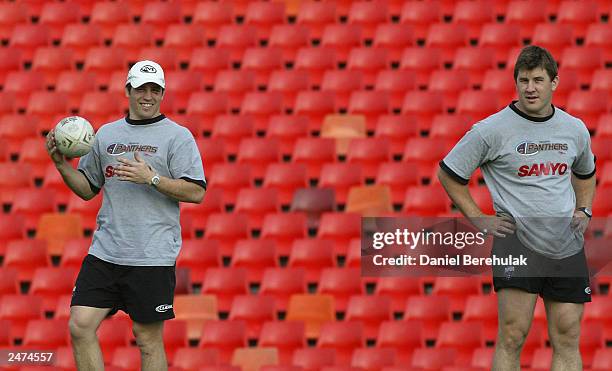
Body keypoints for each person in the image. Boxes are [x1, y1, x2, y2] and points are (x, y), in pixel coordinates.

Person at [438, 45, 596, 371]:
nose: (530, 88)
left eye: (538, 80)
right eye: (523, 80)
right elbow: (449, 173)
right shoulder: (490, 130)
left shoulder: (574, 129)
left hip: (565, 243)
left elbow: (586, 173)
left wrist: (584, 209)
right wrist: (479, 219)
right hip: (517, 242)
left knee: (567, 334)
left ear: (554, 82)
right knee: (513, 335)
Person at [45, 60, 206, 370]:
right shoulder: (105, 134)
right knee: (80, 325)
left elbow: (197, 192)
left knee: (146, 339)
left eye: (154, 90)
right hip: (106, 252)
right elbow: (88, 189)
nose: (147, 96)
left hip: (151, 256)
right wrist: (62, 165)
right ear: (127, 90)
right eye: (140, 89)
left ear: (162, 93)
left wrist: (153, 179)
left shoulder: (178, 137)